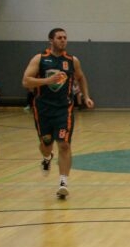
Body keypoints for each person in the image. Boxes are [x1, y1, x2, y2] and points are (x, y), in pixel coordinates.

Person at [21, 28, 95, 198]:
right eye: (59, 37)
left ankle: (63, 182)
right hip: (43, 109)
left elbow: (81, 77)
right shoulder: (40, 59)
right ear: (51, 40)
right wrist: (47, 80)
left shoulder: (72, 60)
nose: (63, 40)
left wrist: (86, 96)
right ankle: (47, 158)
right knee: (46, 145)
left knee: (64, 144)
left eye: (65, 37)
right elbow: (26, 81)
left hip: (64, 109)